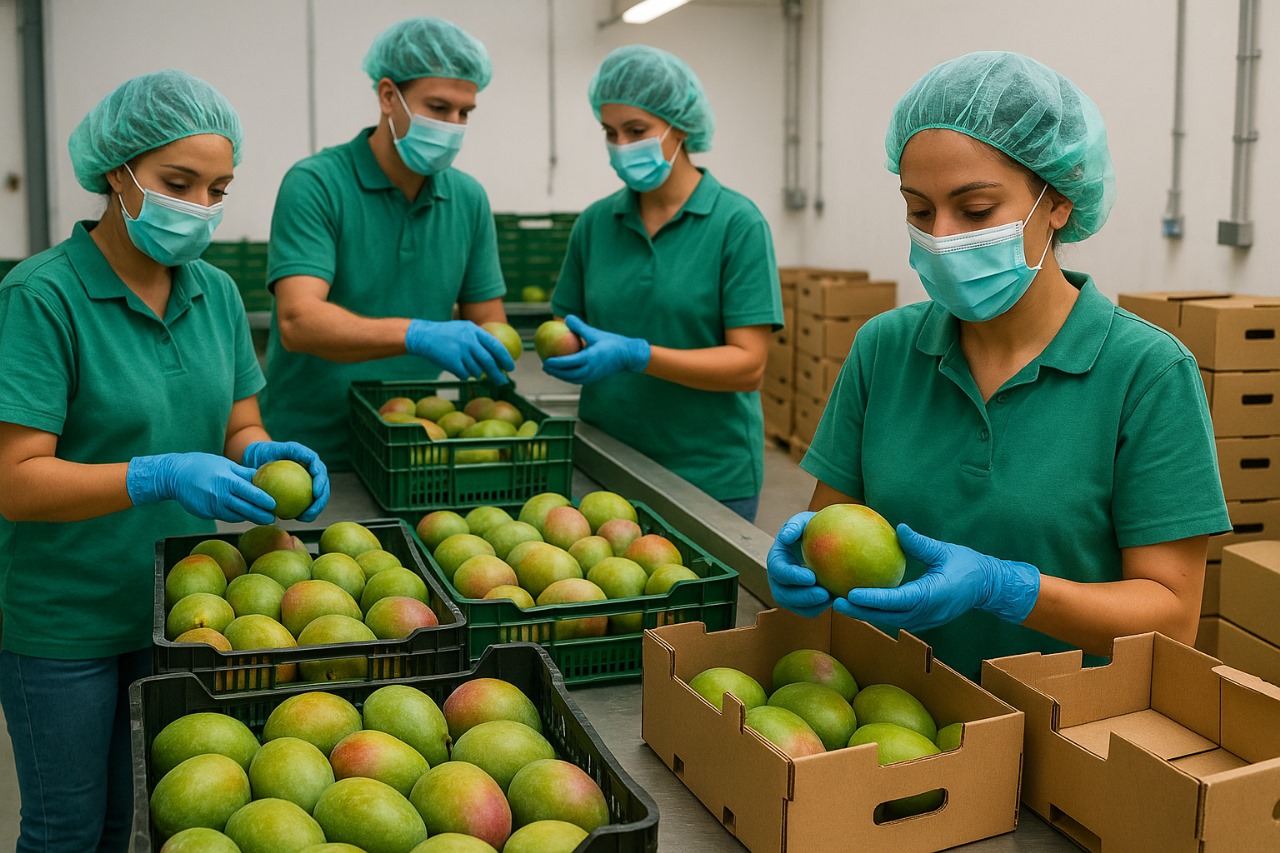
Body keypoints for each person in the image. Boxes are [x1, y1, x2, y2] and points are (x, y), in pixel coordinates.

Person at [766, 51, 1230, 678]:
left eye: (977, 209)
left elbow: (1172, 615)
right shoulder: (885, 350)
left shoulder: (1146, 373)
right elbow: (833, 527)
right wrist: (805, 561)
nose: (944, 237)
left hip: (1068, 731)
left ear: (1059, 200)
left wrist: (1007, 588)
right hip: (894, 714)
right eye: (920, 211)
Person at [0, 69, 329, 852]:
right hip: (64, 618)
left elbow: (238, 420)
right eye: (179, 182)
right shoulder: (40, 296)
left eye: (219, 188)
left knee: (140, 816)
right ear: (118, 172)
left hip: (185, 608)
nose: (202, 207)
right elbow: (16, 480)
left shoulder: (214, 292)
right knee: (66, 826)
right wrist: (155, 473)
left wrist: (261, 454)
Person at [262, 16, 515, 469]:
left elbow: (488, 323)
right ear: (386, 96)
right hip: (312, 452)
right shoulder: (316, 184)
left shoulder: (468, 197)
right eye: (438, 107)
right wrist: (416, 335)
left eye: (465, 113)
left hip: (416, 445)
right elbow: (298, 320)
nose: (454, 125)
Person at [544, 45, 783, 522]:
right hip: (605, 465)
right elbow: (565, 320)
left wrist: (638, 355)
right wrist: (568, 350)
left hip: (708, 476)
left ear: (680, 125)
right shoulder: (595, 223)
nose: (622, 145)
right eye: (610, 133)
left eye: (637, 131)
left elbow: (748, 366)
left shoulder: (737, 224)